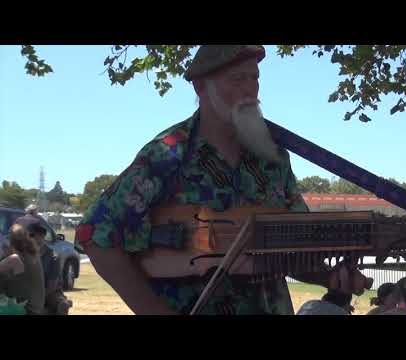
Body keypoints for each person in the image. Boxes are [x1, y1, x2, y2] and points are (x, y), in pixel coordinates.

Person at [75, 45, 372, 315]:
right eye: (237, 79)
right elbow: (95, 234)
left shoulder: (274, 156)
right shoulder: (167, 154)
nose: (249, 90)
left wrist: (330, 277)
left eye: (254, 78)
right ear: (201, 86)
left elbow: (290, 247)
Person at [15, 214, 72, 315]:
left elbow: (52, 285)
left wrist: (35, 301)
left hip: (47, 292)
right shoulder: (15, 252)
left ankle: (61, 305)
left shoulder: (53, 256)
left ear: (41, 236)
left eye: (32, 235)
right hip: (21, 293)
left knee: (59, 302)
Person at [0, 223, 45, 315]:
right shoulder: (34, 256)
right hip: (36, 307)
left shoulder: (15, 258)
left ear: (11, 240)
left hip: (24, 309)